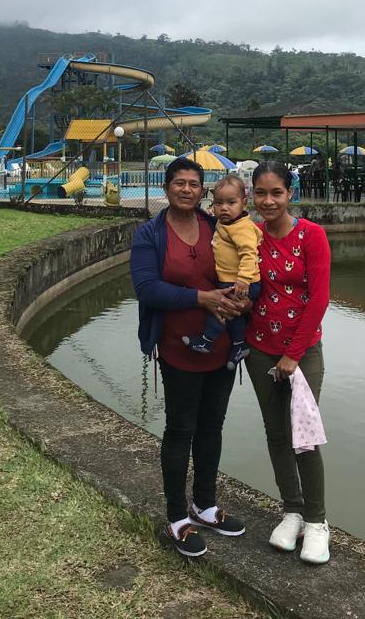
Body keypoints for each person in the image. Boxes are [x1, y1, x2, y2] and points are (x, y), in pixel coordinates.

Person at [130, 158, 247, 557]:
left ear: (203, 191)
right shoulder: (150, 234)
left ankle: (205, 505)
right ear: (166, 188)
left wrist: (240, 300)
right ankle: (178, 516)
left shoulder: (218, 226)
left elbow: (244, 267)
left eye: (194, 184)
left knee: (212, 426)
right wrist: (202, 298)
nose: (186, 189)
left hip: (220, 346)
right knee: (181, 428)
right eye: (179, 182)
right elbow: (147, 288)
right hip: (178, 347)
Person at [245, 160, 332, 565]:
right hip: (260, 349)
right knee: (276, 434)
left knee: (303, 436)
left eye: (276, 192)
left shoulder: (311, 235)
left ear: (290, 194)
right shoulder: (250, 235)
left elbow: (319, 299)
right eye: (260, 193)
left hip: (301, 353)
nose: (268, 201)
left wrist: (293, 355)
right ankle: (292, 511)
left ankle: (316, 521)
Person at [182, 175, 262, 369]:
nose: (224, 208)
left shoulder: (241, 228)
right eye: (219, 203)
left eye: (231, 203)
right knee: (235, 315)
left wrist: (243, 280)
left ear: (244, 203)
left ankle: (206, 341)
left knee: (221, 308)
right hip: (234, 280)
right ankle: (239, 346)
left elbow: (249, 254)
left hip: (242, 282)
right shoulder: (226, 222)